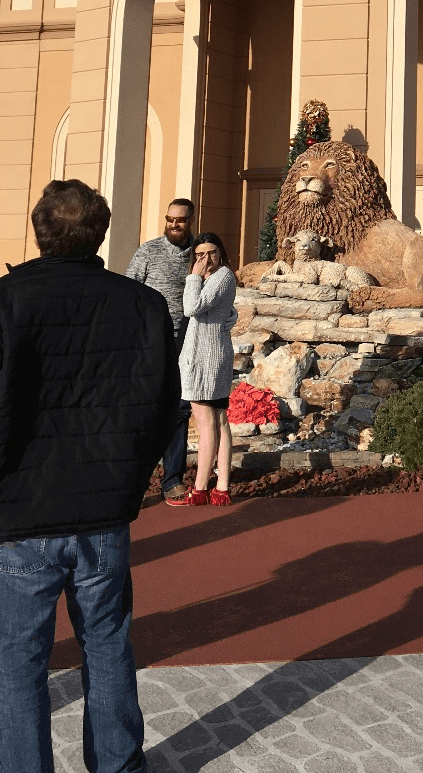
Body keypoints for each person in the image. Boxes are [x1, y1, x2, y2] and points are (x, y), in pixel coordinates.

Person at [0, 179, 178, 773]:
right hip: (102, 509)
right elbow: (161, 409)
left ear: (39, 231)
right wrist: (133, 483)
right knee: (106, 648)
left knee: (19, 661)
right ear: (99, 233)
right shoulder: (142, 305)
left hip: (23, 513)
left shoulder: (8, 299)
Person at [126, 198, 196, 506]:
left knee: (179, 410)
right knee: (145, 409)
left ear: (190, 220)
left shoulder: (200, 252)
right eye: (169, 219)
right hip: (151, 340)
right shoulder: (149, 251)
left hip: (187, 341)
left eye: (179, 220)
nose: (173, 224)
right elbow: (130, 290)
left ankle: (172, 480)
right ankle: (134, 482)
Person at [180, 233, 238, 506]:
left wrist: (193, 276)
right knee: (218, 422)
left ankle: (202, 487)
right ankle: (222, 487)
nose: (206, 259)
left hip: (206, 360)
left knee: (207, 424)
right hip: (208, 355)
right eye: (200, 255)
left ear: (221, 252)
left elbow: (191, 307)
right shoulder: (214, 279)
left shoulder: (221, 276)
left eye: (211, 253)